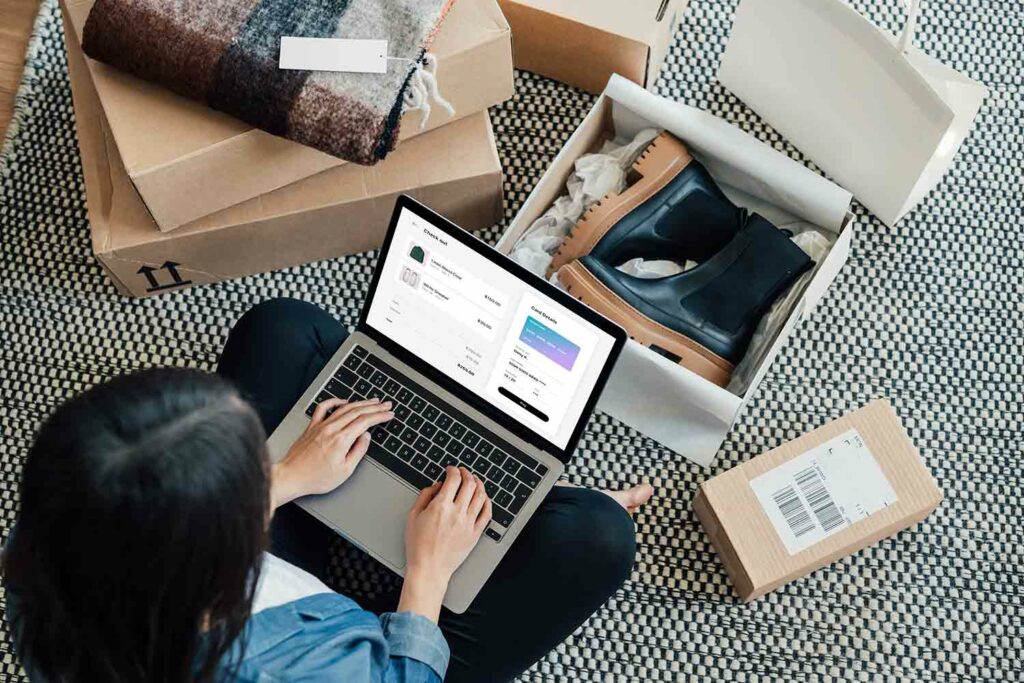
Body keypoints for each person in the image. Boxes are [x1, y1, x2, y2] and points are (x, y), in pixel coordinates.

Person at [2, 298, 653, 682]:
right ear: (226, 557)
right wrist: (427, 572)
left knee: (283, 326)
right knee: (596, 535)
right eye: (251, 472)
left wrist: (289, 475)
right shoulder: (310, 668)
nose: (266, 457)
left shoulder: (47, 551)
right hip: (375, 654)